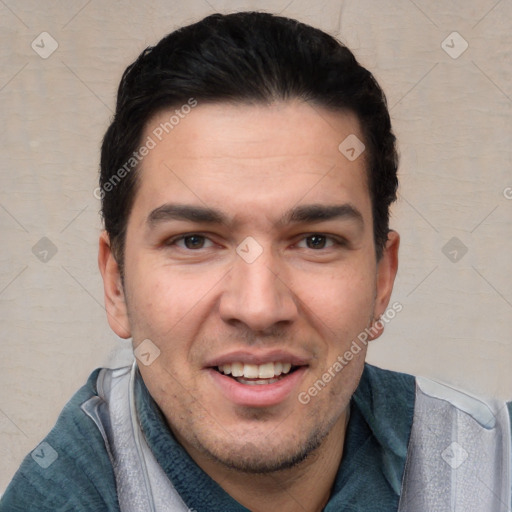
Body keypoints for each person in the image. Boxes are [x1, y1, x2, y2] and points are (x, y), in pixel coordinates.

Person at [1, 11, 510, 512]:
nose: (260, 307)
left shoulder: (494, 472)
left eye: (314, 241)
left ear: (382, 278)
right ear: (116, 285)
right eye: (195, 241)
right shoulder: (58, 497)